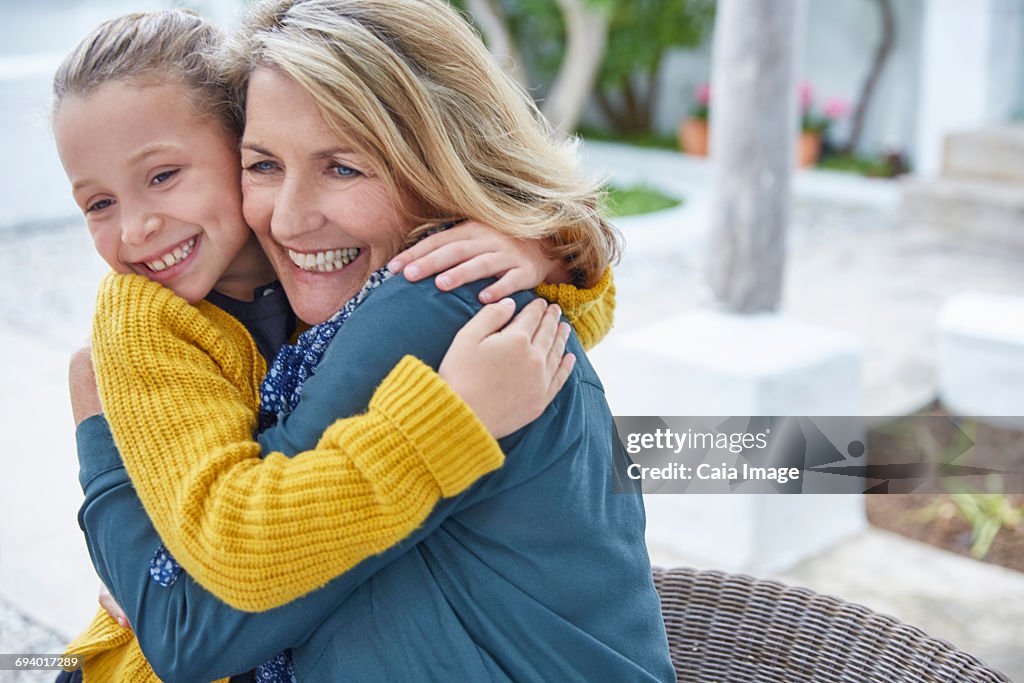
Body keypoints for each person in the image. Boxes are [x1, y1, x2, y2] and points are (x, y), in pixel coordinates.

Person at [70, 0, 673, 680]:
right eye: (264, 164)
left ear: (439, 159)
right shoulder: (244, 291)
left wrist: (104, 450)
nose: (292, 220)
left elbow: (186, 627)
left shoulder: (430, 298)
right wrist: (548, 242)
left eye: (344, 167)